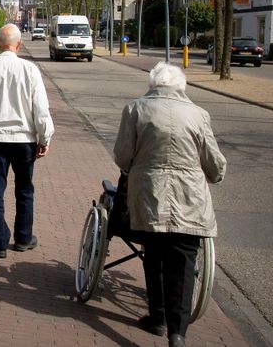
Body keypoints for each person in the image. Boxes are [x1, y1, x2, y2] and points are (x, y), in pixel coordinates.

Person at [114, 62, 226, 347]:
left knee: (153, 254)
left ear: (152, 85)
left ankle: (158, 318)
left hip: (150, 196)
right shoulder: (199, 115)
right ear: (181, 86)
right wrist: (214, 174)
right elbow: (215, 165)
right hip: (190, 200)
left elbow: (123, 157)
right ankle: (178, 333)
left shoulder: (135, 109)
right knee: (184, 262)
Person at [0, 23, 54, 258]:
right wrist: (44, 137)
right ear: (19, 43)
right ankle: (24, 238)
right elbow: (41, 110)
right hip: (25, 140)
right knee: (24, 190)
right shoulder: (30, 70)